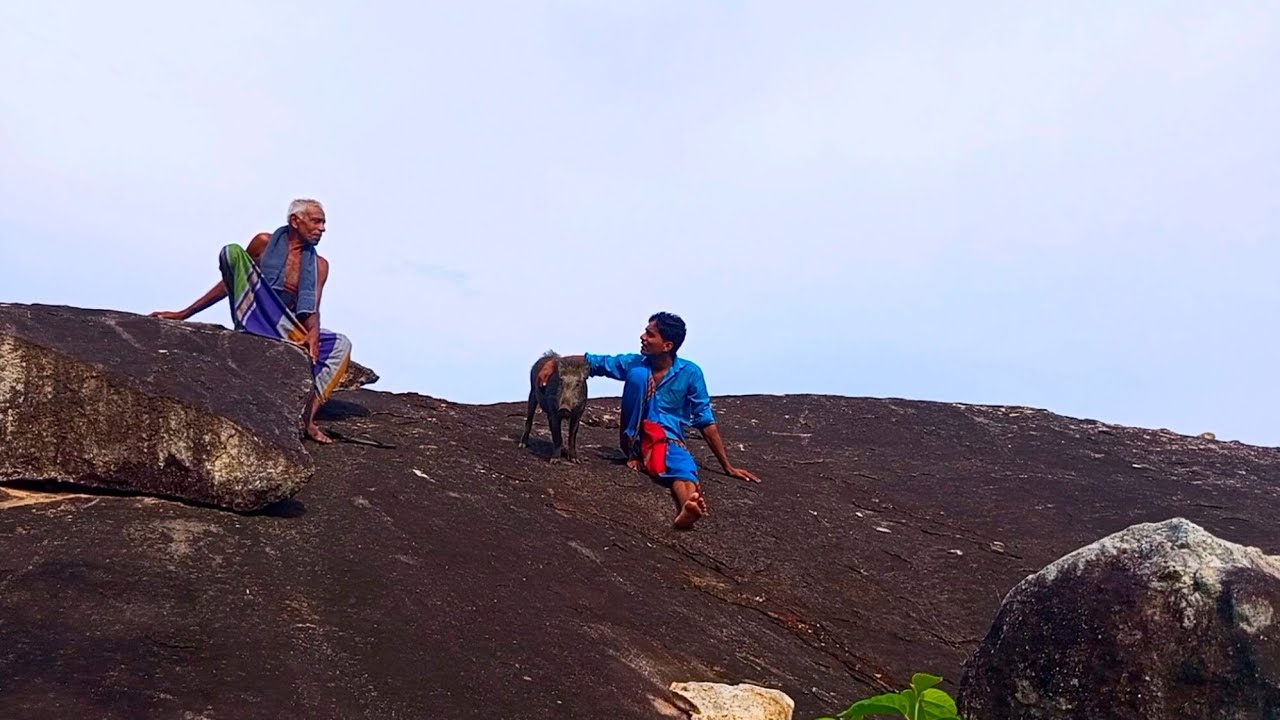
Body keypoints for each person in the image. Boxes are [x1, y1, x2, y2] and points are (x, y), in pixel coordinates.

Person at [151, 198, 352, 444]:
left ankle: (307, 418)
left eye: (323, 223)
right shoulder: (264, 243)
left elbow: (312, 308)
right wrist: (185, 313)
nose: (322, 228)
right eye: (316, 221)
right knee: (232, 252)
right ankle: (249, 324)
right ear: (295, 221)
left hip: (286, 326)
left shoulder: (320, 265)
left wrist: (314, 334)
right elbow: (233, 280)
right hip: (252, 308)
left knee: (341, 345)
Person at [538, 312, 759, 529]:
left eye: (650, 334)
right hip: (635, 437)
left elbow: (705, 420)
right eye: (645, 331)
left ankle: (687, 507)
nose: (643, 337)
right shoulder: (635, 364)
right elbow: (594, 361)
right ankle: (635, 454)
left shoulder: (690, 373)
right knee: (638, 375)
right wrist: (554, 363)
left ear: (667, 345)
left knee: (684, 468)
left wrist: (727, 466)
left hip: (666, 439)